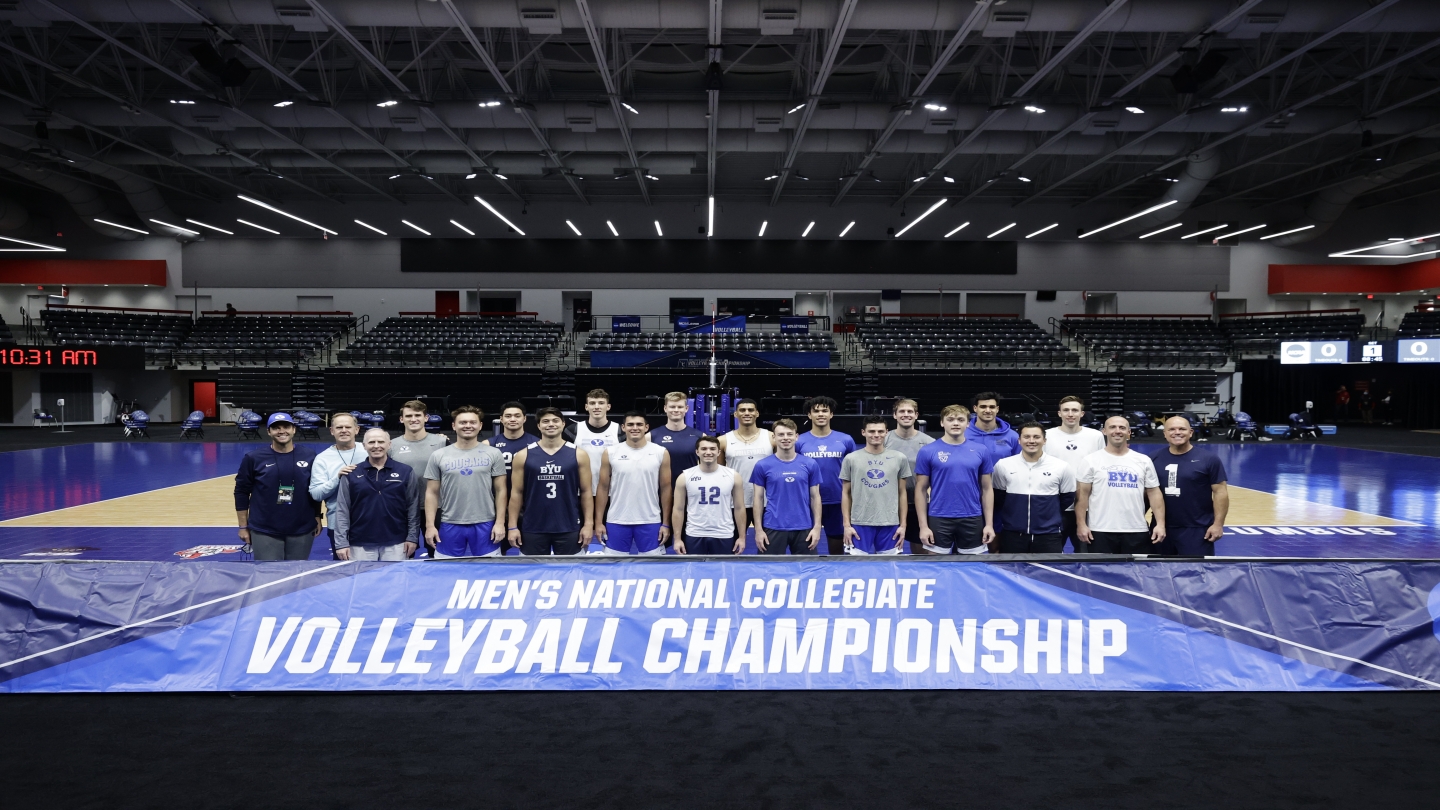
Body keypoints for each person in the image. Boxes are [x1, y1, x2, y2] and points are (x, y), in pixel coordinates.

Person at [234, 412, 322, 561]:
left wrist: (317, 517)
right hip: (265, 529)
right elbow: (241, 492)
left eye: (286, 426)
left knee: (296, 575)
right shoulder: (253, 458)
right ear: (269, 431)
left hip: (302, 528)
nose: (282, 431)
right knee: (268, 575)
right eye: (276, 428)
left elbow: (314, 489)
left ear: (294, 429)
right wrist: (243, 526)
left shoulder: (309, 456)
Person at [423, 405, 508, 558]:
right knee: (447, 572)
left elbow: (501, 490)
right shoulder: (439, 455)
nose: (468, 426)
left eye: (472, 422)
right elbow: (431, 492)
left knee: (487, 572)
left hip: (485, 522)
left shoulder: (494, 453)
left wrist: (500, 522)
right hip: (450, 522)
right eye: (462, 422)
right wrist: (430, 526)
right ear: (454, 426)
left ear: (480, 425)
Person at [509, 407, 594, 555]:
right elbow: (516, 493)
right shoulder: (523, 455)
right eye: (545, 421)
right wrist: (512, 526)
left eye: (555, 421)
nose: (550, 424)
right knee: (532, 574)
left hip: (568, 525)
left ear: (563, 424)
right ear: (538, 425)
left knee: (571, 573)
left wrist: (588, 524)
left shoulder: (579, 454)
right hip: (533, 526)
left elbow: (586, 492)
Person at [1075, 415, 1166, 554]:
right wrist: (1081, 524)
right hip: (1100, 530)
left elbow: (1154, 493)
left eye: (1122, 428)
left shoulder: (1143, 460)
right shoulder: (1090, 461)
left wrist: (1160, 524)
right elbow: (1082, 495)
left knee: (1137, 574)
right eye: (1112, 427)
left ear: (1129, 432)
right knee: (1101, 574)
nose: (1117, 431)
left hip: (1136, 530)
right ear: (1104, 431)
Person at [914, 404, 996, 555]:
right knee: (937, 568)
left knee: (971, 570)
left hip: (972, 516)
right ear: (942, 423)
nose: (956, 423)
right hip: (939, 517)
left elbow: (987, 489)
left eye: (960, 419)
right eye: (950, 419)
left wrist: (989, 524)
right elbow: (920, 490)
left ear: (968, 423)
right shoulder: (927, 451)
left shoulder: (981, 450)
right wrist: (923, 526)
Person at [332, 428, 423, 561]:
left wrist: (412, 537)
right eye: (371, 442)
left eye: (380, 441)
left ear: (389, 444)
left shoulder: (406, 471)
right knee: (363, 581)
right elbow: (342, 510)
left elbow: (413, 508)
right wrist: (341, 543)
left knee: (394, 581)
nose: (376, 446)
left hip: (397, 543)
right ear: (364, 446)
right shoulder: (351, 473)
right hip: (359, 543)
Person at [1149, 416, 1229, 557]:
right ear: (1165, 433)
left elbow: (1220, 493)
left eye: (1182, 429)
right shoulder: (1152, 459)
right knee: (1158, 574)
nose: (1177, 432)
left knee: (1196, 575)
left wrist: (1218, 524)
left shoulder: (1209, 459)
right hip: (1161, 528)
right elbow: (1147, 493)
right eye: (1172, 429)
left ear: (1191, 432)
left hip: (1197, 530)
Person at [991, 423, 1076, 553]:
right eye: (1027, 437)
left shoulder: (1061, 466)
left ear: (1044, 440)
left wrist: (1048, 514)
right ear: (1019, 440)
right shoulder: (1004, 465)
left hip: (1049, 535)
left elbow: (1067, 497)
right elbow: (999, 497)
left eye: (1036, 437)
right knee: (1011, 573)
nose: (1031, 441)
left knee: (1050, 572)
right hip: (1013, 534)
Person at [595, 411, 672, 555]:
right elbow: (603, 488)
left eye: (639, 424)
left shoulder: (660, 452)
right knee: (614, 566)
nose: (634, 428)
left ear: (646, 427)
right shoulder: (610, 452)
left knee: (651, 567)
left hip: (650, 519)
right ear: (623, 427)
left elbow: (666, 488)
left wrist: (666, 523)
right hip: (617, 519)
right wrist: (598, 522)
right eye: (630, 424)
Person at [840, 415, 912, 555]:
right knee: (857, 569)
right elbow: (845, 493)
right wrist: (847, 525)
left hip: (889, 523)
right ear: (863, 432)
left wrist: (903, 525)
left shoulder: (899, 458)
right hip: (859, 523)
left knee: (890, 569)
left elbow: (902, 493)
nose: (876, 435)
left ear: (886, 432)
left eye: (880, 431)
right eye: (872, 431)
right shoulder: (851, 459)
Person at [750, 418, 822, 555]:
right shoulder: (762, 465)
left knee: (807, 571)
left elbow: (815, 497)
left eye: (789, 434)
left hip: (803, 527)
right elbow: (758, 499)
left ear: (796, 436)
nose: (785, 438)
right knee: (769, 571)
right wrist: (758, 530)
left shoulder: (810, 464)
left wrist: (817, 527)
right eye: (781, 434)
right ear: (774, 437)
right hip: (773, 526)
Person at [1044, 396, 1106, 554]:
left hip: (1088, 506)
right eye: (1066, 410)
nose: (1070, 414)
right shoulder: (1047, 436)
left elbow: (1101, 467)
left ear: (1082, 413)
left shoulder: (1095, 436)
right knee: (1052, 553)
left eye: (1074, 410)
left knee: (1086, 553)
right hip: (1056, 505)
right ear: (1059, 413)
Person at [796, 395, 857, 554]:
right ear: (809, 415)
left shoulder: (846, 440)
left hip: (838, 501)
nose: (820, 414)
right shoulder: (799, 441)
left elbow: (854, 472)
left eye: (825, 411)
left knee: (837, 549)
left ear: (831, 414)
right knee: (807, 546)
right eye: (816, 411)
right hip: (807, 502)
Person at [672, 435, 746, 555]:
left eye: (712, 449)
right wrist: (677, 539)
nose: (708, 452)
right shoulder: (685, 477)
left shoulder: (733, 476)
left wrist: (742, 537)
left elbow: (739, 508)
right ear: (697, 452)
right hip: (695, 533)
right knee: (694, 571)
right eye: (704, 449)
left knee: (722, 572)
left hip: (723, 532)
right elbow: (678, 509)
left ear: (718, 452)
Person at [308, 412, 362, 557]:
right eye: (339, 427)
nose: (344, 430)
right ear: (332, 431)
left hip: (370, 521)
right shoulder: (322, 459)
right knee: (342, 571)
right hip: (338, 525)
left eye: (348, 427)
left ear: (356, 429)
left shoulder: (370, 450)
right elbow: (316, 494)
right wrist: (337, 477)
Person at [885, 398, 933, 553]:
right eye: (902, 411)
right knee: (890, 548)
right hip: (889, 503)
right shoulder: (883, 440)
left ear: (916, 415)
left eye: (910, 411)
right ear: (894, 415)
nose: (906, 415)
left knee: (919, 546)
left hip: (918, 503)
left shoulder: (929, 443)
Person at [719, 398, 774, 528]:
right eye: (742, 410)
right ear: (736, 414)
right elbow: (720, 473)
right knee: (733, 545)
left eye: (751, 410)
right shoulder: (723, 440)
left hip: (767, 501)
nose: (747, 413)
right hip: (736, 502)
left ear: (757, 413)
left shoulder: (771, 437)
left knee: (768, 546)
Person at [650, 391, 702, 492]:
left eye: (680, 407)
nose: (676, 410)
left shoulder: (700, 436)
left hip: (691, 492)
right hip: (660, 492)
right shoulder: (651, 436)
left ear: (686, 409)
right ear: (665, 408)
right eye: (672, 407)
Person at [565, 388, 621, 482]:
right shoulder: (572, 430)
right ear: (586, 407)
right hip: (580, 489)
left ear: (608, 406)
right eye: (592, 403)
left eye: (601, 403)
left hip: (612, 490)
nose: (596, 407)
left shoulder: (620, 431)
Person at [483, 400, 539, 492]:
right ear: (501, 419)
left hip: (528, 496)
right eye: (508, 416)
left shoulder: (537, 444)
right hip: (497, 496)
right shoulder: (488, 445)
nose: (512, 419)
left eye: (517, 416)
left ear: (524, 418)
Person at [390, 400, 448, 473]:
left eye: (417, 415)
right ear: (401, 419)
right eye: (408, 416)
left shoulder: (442, 442)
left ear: (426, 418)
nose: (413, 419)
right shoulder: (391, 445)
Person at [965, 391, 1021, 461]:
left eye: (992, 407)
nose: (988, 410)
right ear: (975, 408)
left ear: (997, 409)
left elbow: (1019, 464)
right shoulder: (963, 434)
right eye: (983, 407)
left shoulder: (1012, 436)